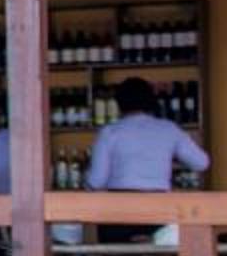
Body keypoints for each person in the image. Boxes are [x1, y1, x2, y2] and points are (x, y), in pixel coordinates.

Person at [87, 76, 207, 239]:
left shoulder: (110, 132)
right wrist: (169, 158)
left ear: (119, 103)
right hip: (159, 210)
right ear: (151, 101)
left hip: (117, 211)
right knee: (161, 253)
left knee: (116, 255)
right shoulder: (168, 129)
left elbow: (96, 181)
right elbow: (201, 163)